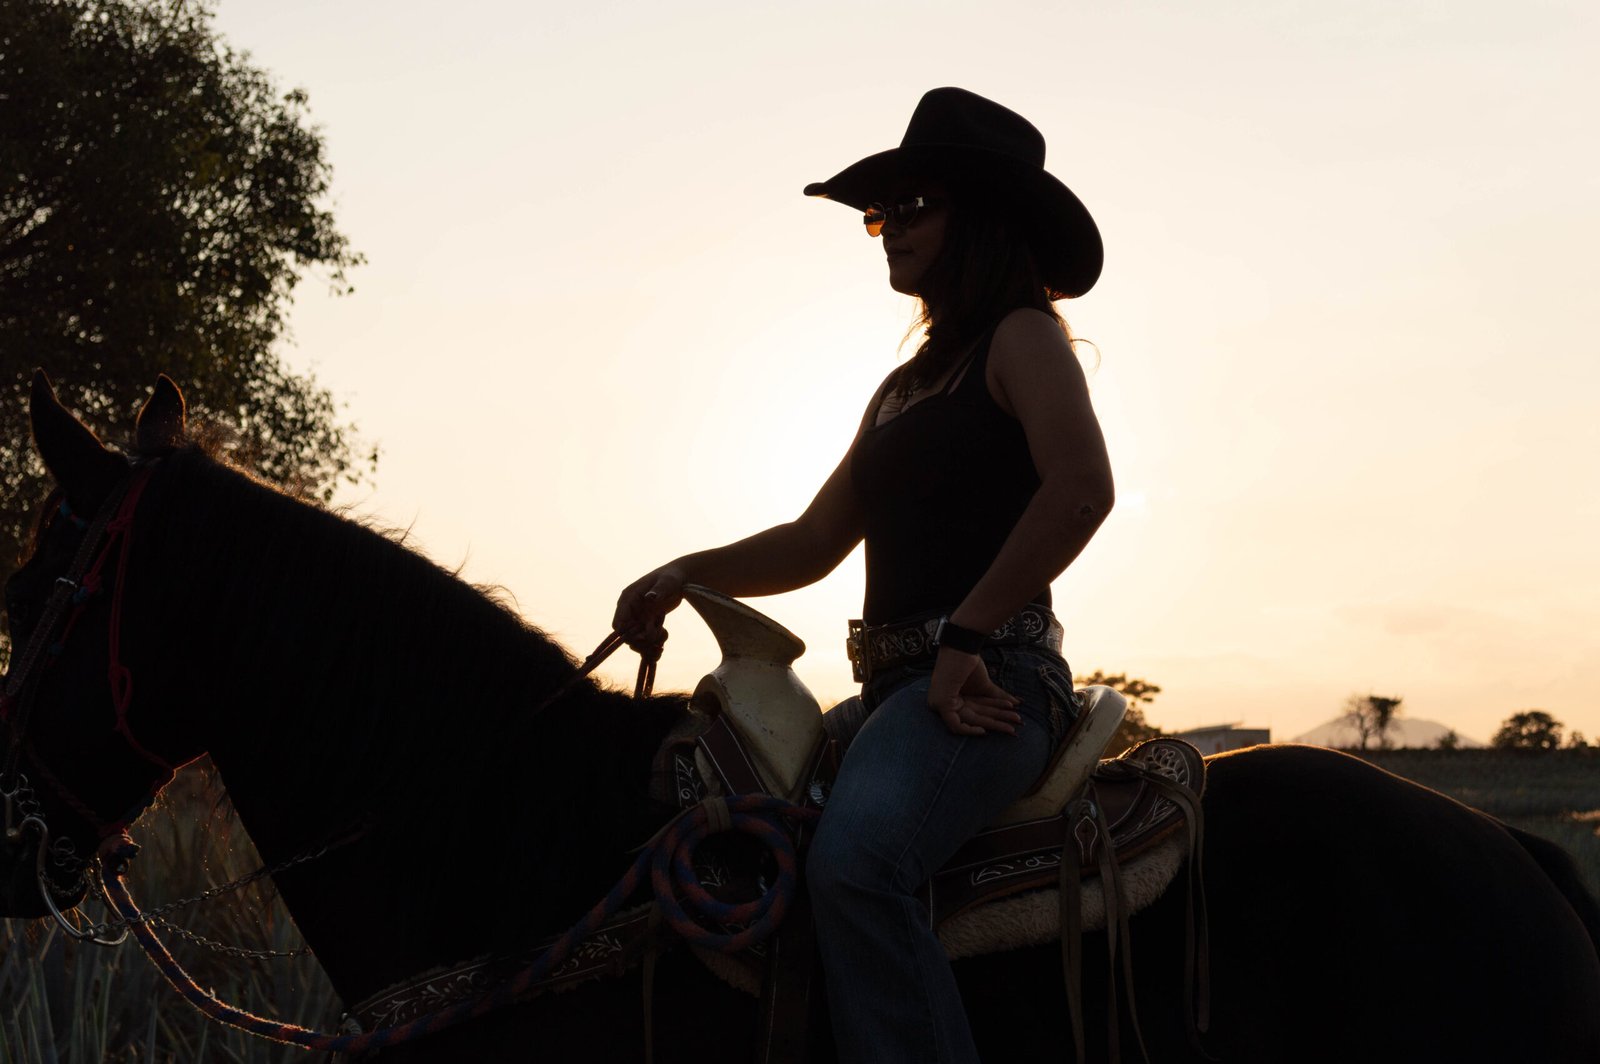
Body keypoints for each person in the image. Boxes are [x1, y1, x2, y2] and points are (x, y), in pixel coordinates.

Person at [614, 87, 1114, 1064]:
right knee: (707, 804)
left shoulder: (1022, 338)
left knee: (856, 864)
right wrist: (682, 569)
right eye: (881, 214)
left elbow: (1082, 489)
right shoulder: (903, 385)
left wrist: (965, 637)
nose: (886, 230)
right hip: (895, 696)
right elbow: (811, 541)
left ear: (980, 217)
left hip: (990, 687)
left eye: (912, 206)